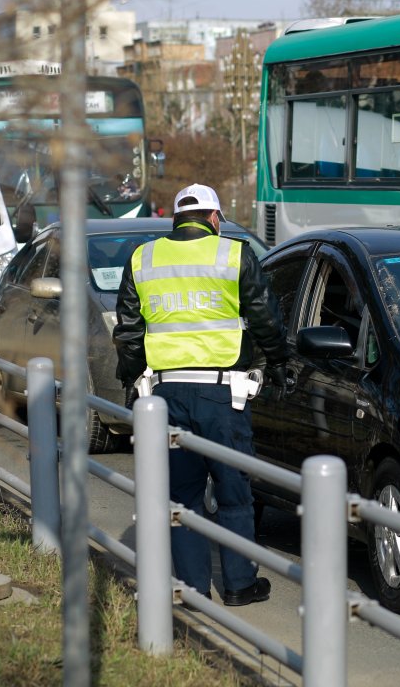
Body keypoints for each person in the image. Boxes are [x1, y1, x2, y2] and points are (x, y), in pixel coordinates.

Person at [113, 182, 289, 607]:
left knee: (181, 496)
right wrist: (280, 362)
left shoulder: (144, 257)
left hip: (167, 393)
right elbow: (265, 317)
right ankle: (238, 585)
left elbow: (130, 333)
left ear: (176, 219)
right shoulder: (234, 253)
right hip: (222, 395)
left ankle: (190, 589)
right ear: (214, 219)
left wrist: (130, 381)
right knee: (233, 492)